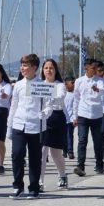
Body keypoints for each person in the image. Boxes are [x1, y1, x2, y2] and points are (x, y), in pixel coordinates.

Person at [6, 54, 44, 199]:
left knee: (35, 158)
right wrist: (9, 127)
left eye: (26, 65)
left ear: (34, 67)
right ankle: (18, 186)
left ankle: (34, 188)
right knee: (17, 155)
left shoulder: (42, 85)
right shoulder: (18, 85)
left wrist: (45, 112)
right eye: (22, 65)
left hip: (35, 126)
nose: (22, 68)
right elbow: (13, 106)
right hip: (19, 124)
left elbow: (49, 104)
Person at [72, 59, 104, 176]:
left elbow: (103, 91)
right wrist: (74, 116)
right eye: (93, 68)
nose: (96, 70)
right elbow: (76, 99)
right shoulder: (79, 81)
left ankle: (99, 164)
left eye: (97, 68)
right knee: (82, 140)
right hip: (83, 114)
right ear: (86, 68)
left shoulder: (100, 81)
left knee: (97, 141)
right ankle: (80, 166)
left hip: (96, 114)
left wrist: (97, 89)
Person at [39, 59, 68, 191]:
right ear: (43, 70)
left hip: (56, 118)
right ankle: (39, 181)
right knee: (42, 152)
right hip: (42, 119)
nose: (49, 70)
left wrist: (50, 97)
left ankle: (62, 175)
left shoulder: (60, 85)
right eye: (46, 68)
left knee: (56, 153)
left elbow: (61, 96)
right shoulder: (39, 85)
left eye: (51, 68)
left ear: (55, 70)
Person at [63, 77, 76, 159]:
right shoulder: (63, 94)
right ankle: (64, 151)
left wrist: (75, 118)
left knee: (69, 135)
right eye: (72, 83)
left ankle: (70, 151)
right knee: (63, 136)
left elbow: (75, 107)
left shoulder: (75, 95)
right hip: (62, 119)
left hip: (71, 119)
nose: (74, 85)